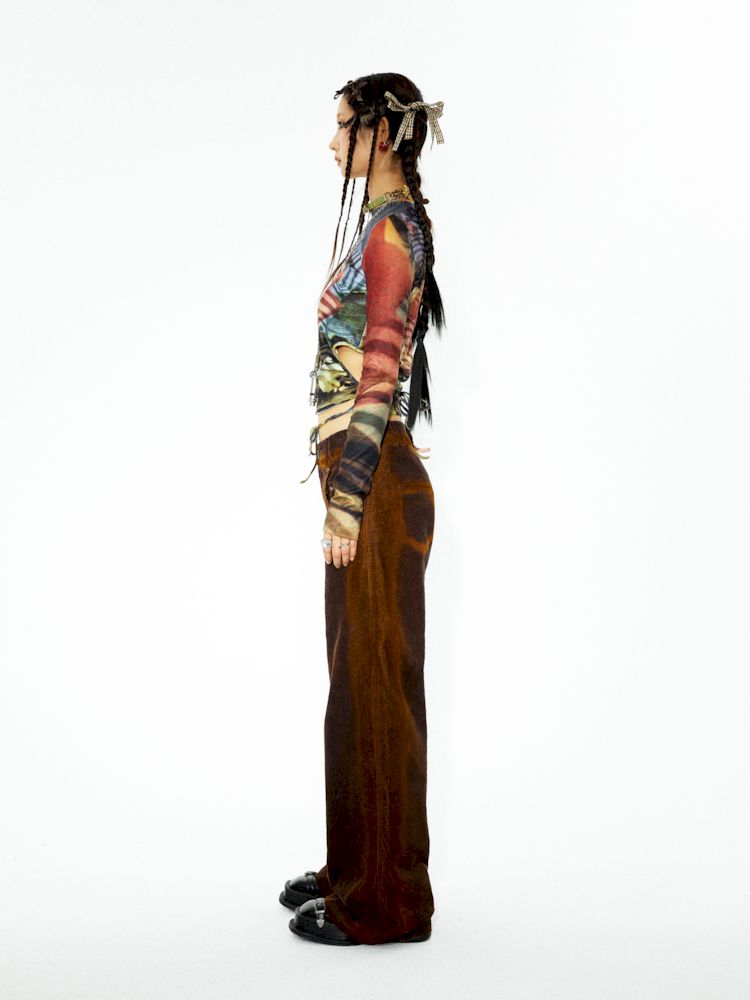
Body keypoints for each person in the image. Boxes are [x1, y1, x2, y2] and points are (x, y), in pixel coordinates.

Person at [282, 73, 446, 946]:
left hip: (371, 481)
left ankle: (385, 902)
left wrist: (346, 501)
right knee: (357, 680)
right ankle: (354, 867)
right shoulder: (384, 224)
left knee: (376, 687)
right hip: (362, 476)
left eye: (343, 127)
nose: (332, 142)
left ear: (382, 133)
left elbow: (379, 370)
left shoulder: (391, 231)